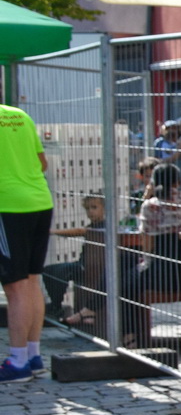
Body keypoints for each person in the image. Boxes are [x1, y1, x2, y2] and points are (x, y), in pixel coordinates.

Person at [119, 164, 181, 347]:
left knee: (125, 282)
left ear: (154, 182)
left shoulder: (151, 206)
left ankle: (130, 337)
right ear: (178, 182)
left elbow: (148, 246)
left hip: (161, 275)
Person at [0, 103, 55, 382]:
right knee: (32, 280)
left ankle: (18, 361)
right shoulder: (18, 115)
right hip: (40, 201)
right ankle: (33, 357)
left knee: (15, 286)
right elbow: (42, 162)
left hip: (7, 205)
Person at [43, 195, 106, 323]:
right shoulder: (92, 225)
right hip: (83, 263)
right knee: (48, 271)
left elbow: (80, 231)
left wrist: (53, 232)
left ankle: (56, 307)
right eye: (88, 208)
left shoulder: (104, 225)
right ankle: (56, 304)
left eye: (94, 207)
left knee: (62, 272)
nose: (90, 212)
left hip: (91, 267)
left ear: (104, 209)